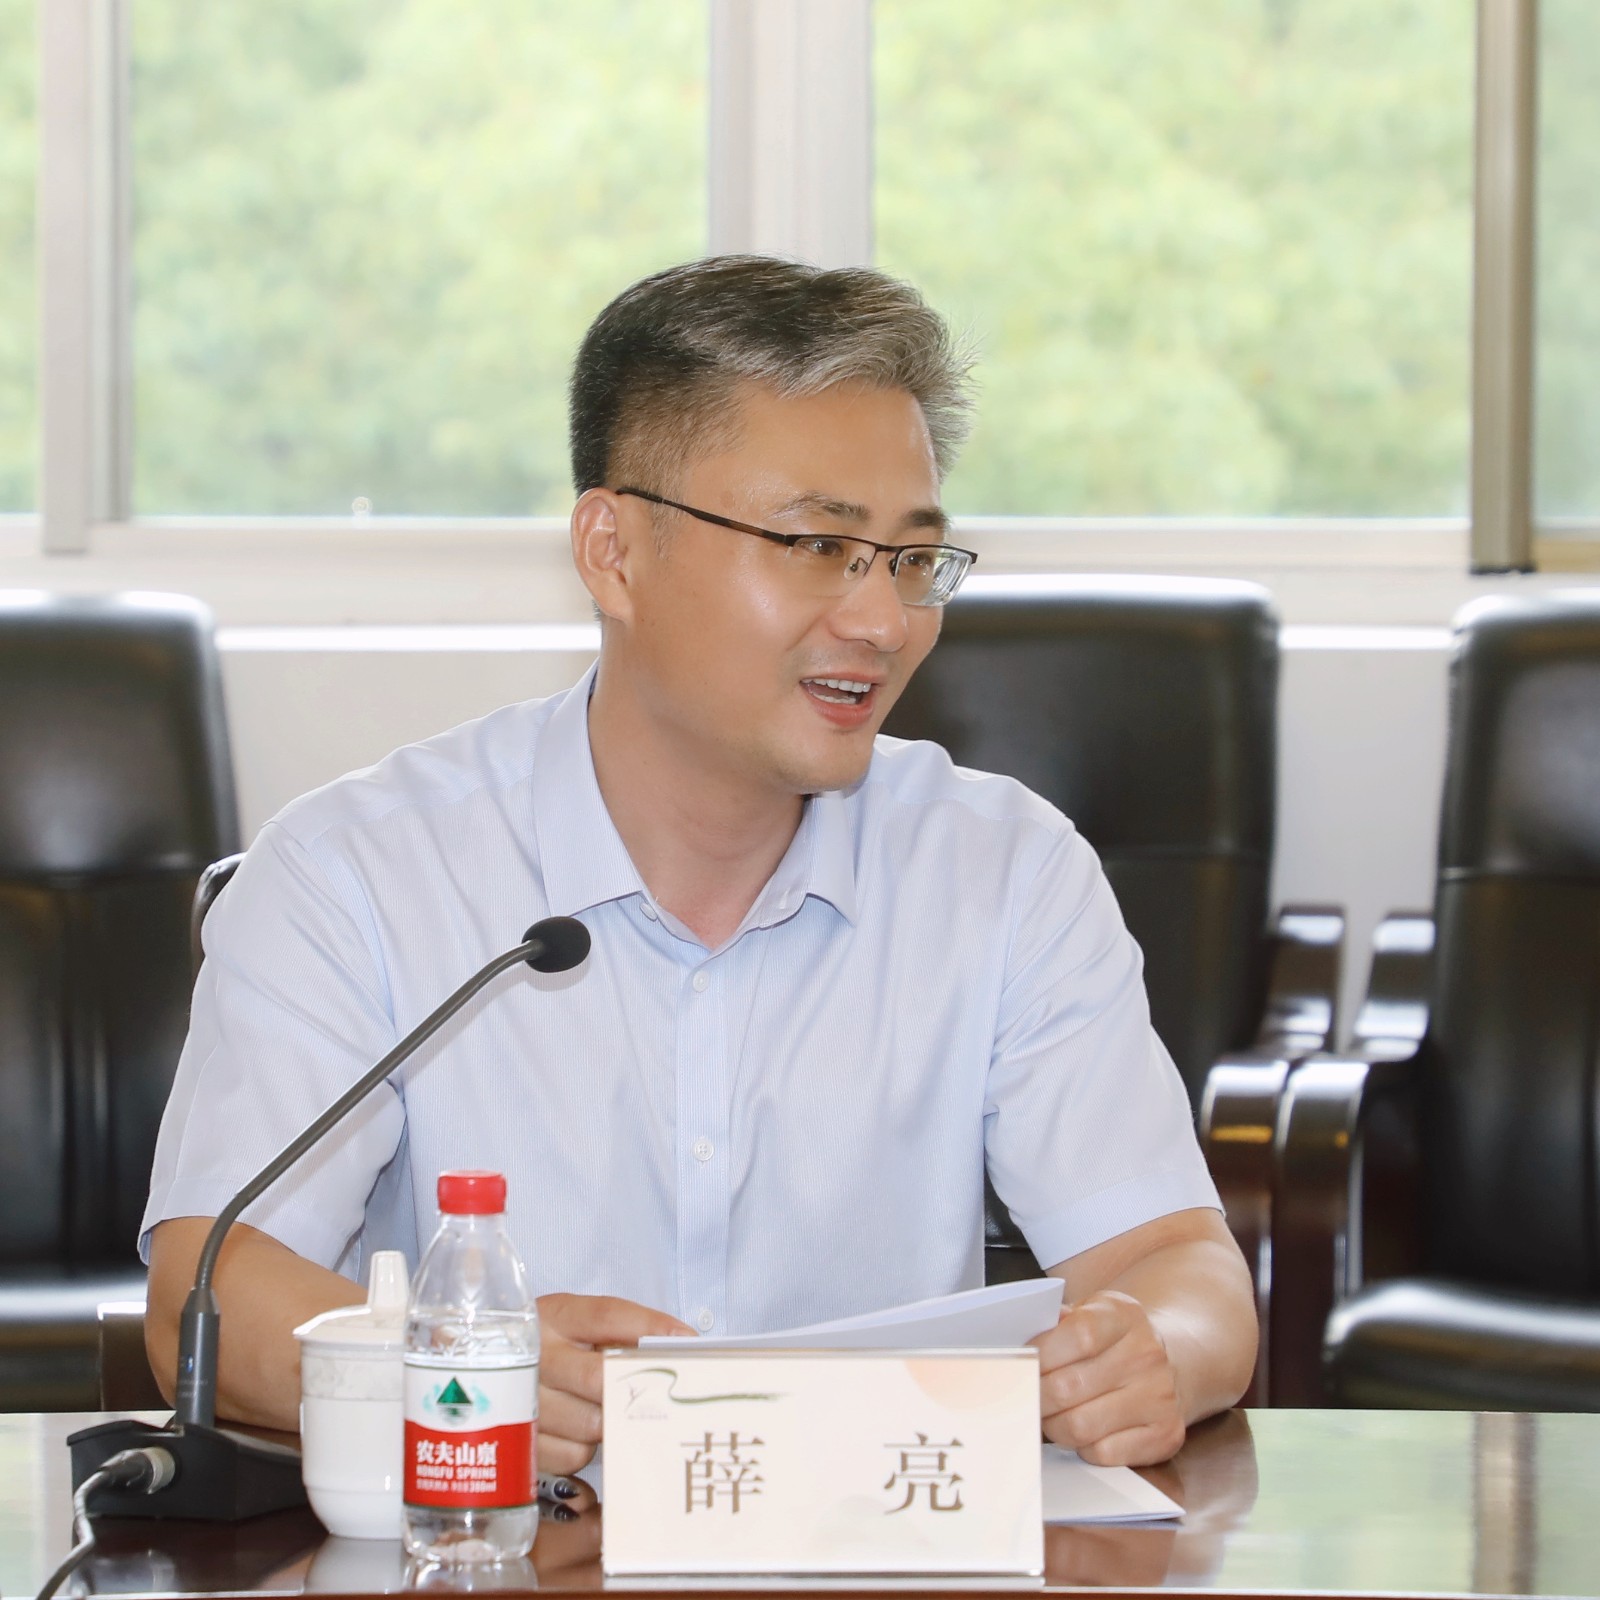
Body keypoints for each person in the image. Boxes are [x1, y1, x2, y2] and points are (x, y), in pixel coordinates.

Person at [143, 256, 1256, 1472]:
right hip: (497, 1542)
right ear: (612, 550)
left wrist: (1151, 1350)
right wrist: (449, 1360)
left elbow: (1178, 1265)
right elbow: (210, 1289)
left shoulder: (1003, 873)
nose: (882, 621)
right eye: (817, 544)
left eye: (909, 558)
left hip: (872, 1537)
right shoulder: (357, 872)